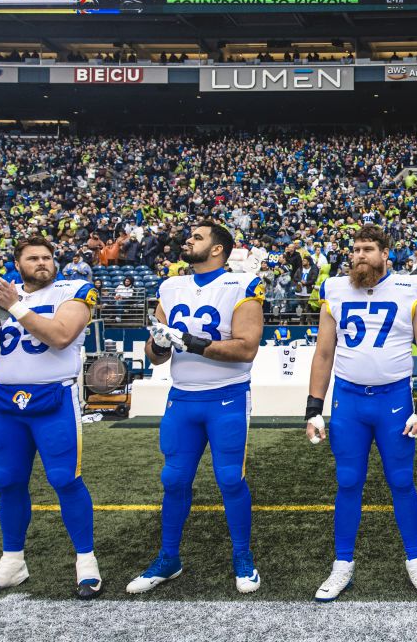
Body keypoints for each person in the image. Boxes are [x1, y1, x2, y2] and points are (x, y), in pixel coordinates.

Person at [0, 236, 102, 600]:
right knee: (7, 481)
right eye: (33, 258)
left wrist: (17, 308)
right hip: (6, 401)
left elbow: (61, 336)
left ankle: (86, 561)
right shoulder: (1, 296)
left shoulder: (74, 289)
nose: (42, 263)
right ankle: (12, 563)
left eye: (47, 257)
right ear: (18, 264)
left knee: (64, 479)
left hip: (53, 397)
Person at [304, 225, 417, 601]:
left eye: (368, 249)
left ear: (385, 253)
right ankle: (342, 565)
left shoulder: (410, 288)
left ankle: (416, 561)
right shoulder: (334, 288)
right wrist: (313, 408)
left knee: (401, 481)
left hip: (393, 400)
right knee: (348, 481)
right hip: (348, 401)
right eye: (355, 249)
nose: (359, 255)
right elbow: (324, 353)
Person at [127, 221, 266, 595]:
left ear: (218, 248)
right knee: (173, 480)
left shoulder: (242, 285)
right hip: (182, 397)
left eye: (197, 237)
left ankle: (242, 556)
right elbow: (155, 357)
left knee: (230, 479)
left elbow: (245, 348)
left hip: (227, 396)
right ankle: (168, 558)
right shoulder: (170, 286)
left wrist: (188, 340)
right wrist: (159, 342)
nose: (188, 241)